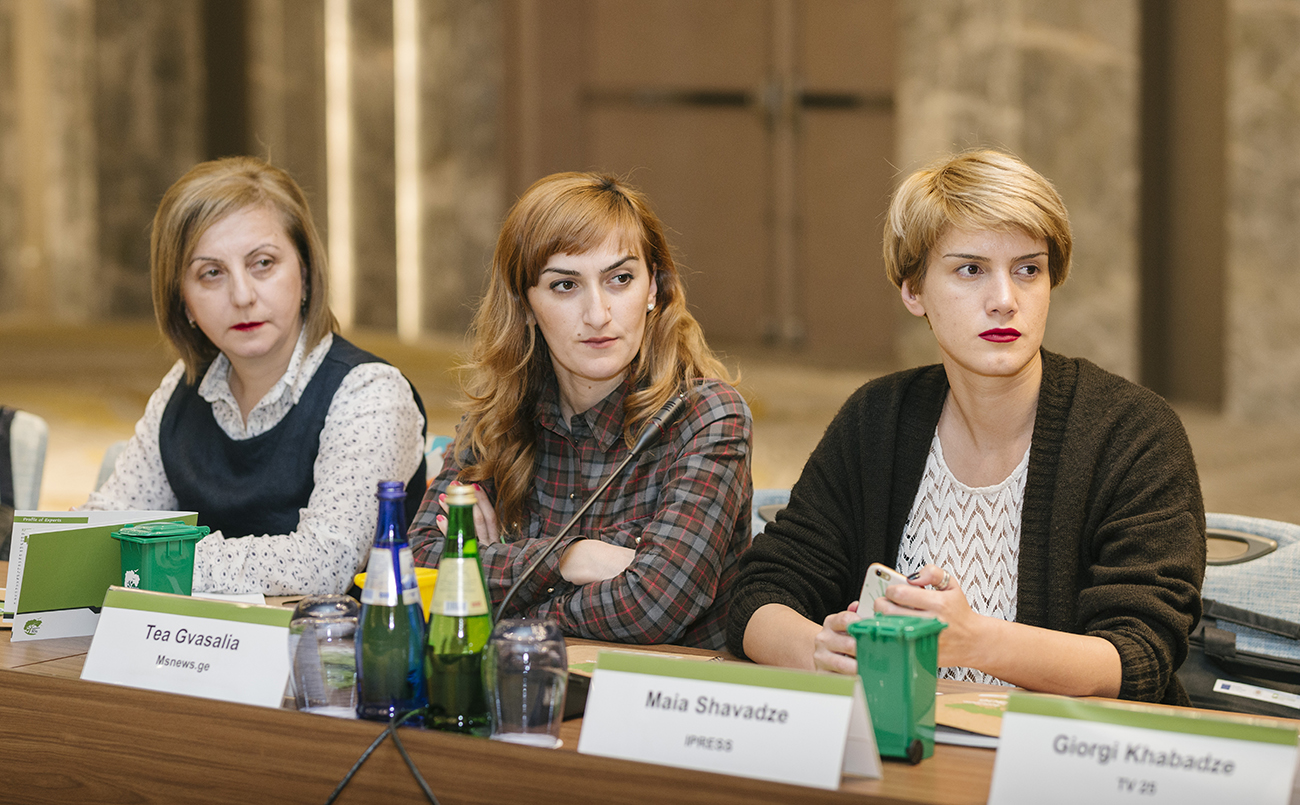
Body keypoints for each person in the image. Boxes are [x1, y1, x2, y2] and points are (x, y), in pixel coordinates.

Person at [727, 149, 1205, 704]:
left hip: (1068, 751)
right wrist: (820, 651)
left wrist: (974, 641)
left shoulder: (1132, 432)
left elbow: (1141, 653)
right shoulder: (878, 418)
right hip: (905, 747)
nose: (1004, 301)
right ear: (913, 290)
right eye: (971, 269)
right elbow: (759, 595)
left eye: (1028, 269)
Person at [408, 172, 751, 650]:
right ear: (525, 304)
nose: (597, 314)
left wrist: (496, 580)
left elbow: (653, 605)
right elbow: (419, 568)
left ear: (654, 287)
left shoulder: (707, 417)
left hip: (659, 690)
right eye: (565, 285)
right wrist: (573, 558)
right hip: (522, 683)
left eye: (620, 279)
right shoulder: (497, 419)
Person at [83, 157, 426, 596]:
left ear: (305, 273)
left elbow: (326, 563)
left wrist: (157, 560)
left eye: (263, 263)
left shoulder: (370, 392)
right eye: (211, 273)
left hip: (329, 640)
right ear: (183, 301)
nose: (242, 296)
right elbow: (107, 526)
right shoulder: (183, 387)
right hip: (195, 638)